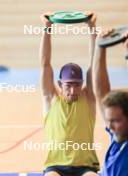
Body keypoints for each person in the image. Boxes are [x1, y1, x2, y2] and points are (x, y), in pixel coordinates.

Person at [40, 12, 99, 176]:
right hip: (55, 167)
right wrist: (47, 28)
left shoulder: (88, 98)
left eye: (77, 85)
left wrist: (92, 27)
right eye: (68, 86)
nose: (73, 91)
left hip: (86, 167)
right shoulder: (51, 99)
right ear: (60, 84)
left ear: (82, 84)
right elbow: (45, 64)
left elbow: (94, 63)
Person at [93, 31, 128, 176]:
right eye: (109, 120)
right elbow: (100, 92)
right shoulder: (117, 137)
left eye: (116, 120)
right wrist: (100, 46)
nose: (110, 126)